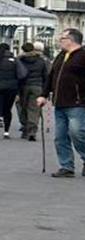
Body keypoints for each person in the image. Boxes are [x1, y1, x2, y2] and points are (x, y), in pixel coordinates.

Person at [39, 28, 85, 178]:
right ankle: (66, 166)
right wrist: (43, 95)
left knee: (77, 133)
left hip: (77, 103)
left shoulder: (83, 55)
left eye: (62, 38)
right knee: (60, 136)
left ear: (71, 40)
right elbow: (51, 76)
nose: (60, 41)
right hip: (59, 103)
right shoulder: (61, 56)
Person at [17, 42, 49, 141]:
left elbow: (17, 74)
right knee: (34, 109)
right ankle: (32, 130)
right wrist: (45, 90)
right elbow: (46, 75)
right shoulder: (41, 61)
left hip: (23, 87)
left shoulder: (19, 60)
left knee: (22, 107)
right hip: (37, 86)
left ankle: (25, 127)